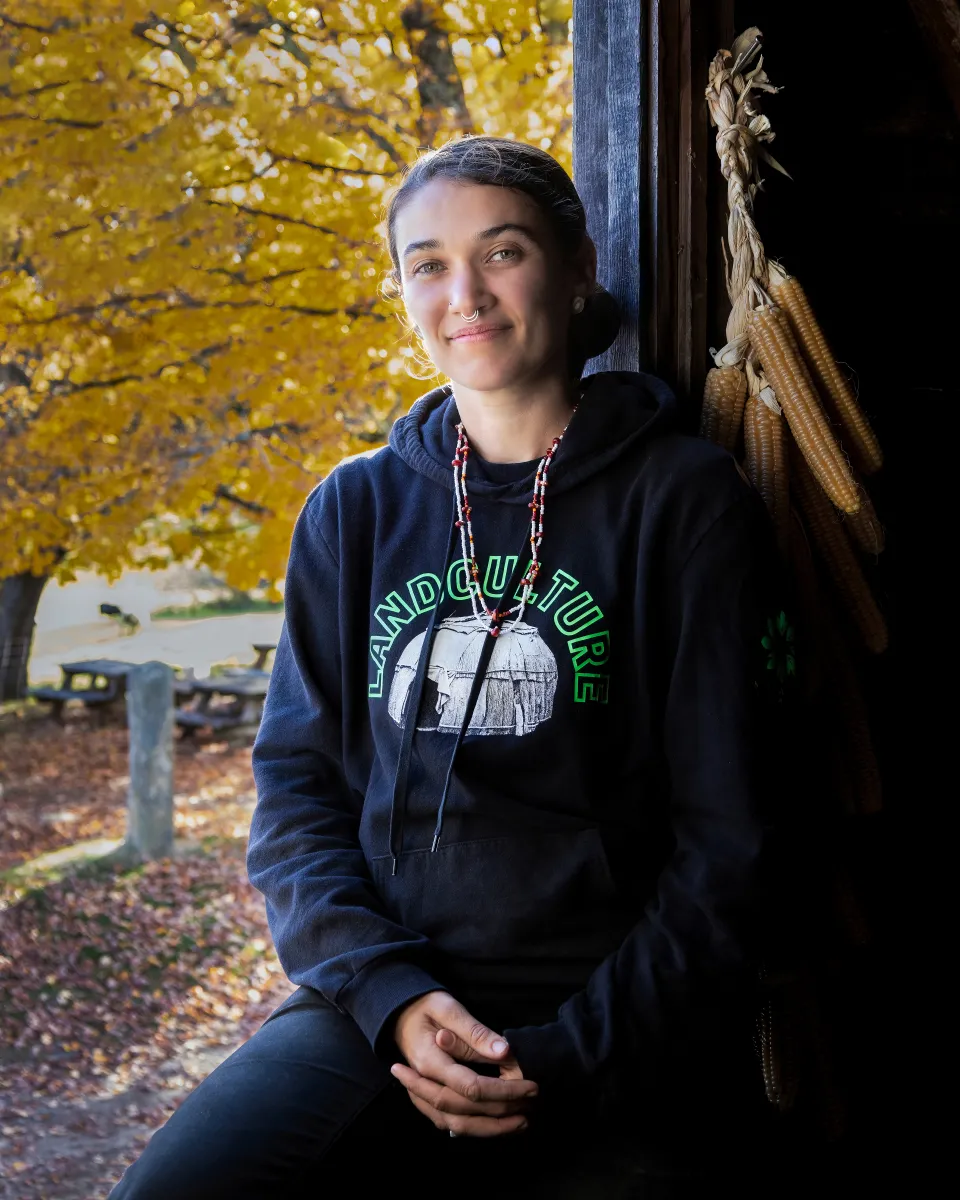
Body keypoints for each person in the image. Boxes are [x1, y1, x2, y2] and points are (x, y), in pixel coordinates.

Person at [110, 135, 787, 1199]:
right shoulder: (356, 510)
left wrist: (569, 1055)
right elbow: (294, 795)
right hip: (384, 996)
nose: (462, 291)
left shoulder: (684, 503)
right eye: (427, 263)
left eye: (501, 251)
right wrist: (389, 995)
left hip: (615, 1008)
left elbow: (731, 842)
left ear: (576, 269)